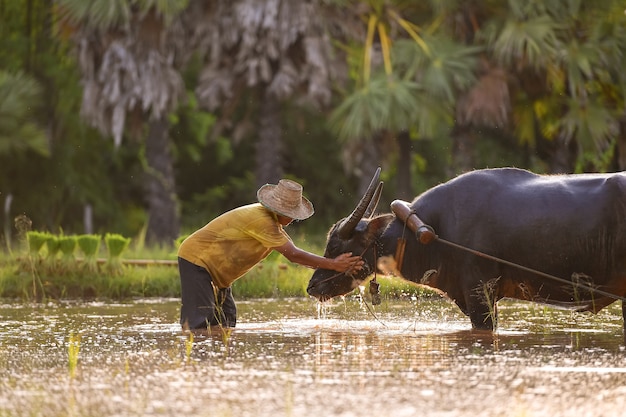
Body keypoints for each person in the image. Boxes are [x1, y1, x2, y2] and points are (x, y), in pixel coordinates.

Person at [177, 178, 364, 331]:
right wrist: (333, 264)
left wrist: (335, 265)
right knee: (200, 323)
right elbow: (293, 255)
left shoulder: (273, 224)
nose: (293, 219)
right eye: (292, 214)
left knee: (227, 320)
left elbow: (295, 251)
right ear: (279, 210)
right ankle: (197, 365)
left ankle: (221, 367)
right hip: (197, 261)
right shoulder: (262, 221)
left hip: (218, 275)